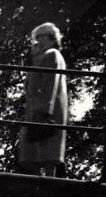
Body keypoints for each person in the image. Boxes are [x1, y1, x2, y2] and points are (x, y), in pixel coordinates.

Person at [16, 22, 68, 177]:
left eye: (42, 37)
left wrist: (45, 109)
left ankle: (47, 180)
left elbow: (50, 83)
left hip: (47, 109)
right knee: (31, 149)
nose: (38, 41)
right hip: (39, 108)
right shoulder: (43, 58)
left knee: (47, 148)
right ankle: (42, 179)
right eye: (36, 38)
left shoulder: (52, 54)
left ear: (52, 39)